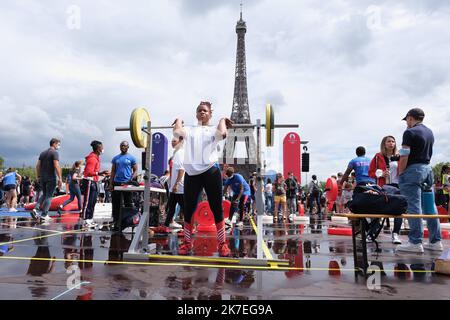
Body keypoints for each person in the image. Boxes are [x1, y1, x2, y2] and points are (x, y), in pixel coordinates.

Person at [173, 100, 232, 256]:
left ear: (210, 114)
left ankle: (222, 244)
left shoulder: (213, 129)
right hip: (192, 173)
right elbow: (177, 132)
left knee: (216, 208)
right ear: (196, 114)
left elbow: (223, 133)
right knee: (189, 209)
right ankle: (187, 243)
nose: (202, 112)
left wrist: (222, 120)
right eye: (199, 110)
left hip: (210, 170)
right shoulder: (189, 129)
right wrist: (179, 119)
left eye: (205, 110)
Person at [396, 108, 443, 253]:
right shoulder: (429, 132)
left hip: (413, 171)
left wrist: (401, 172)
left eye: (407, 120)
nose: (406, 124)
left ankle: (415, 242)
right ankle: (435, 241)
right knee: (430, 206)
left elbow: (404, 155)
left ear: (410, 118)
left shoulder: (409, 132)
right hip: (427, 170)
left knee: (413, 205)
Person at [368, 135, 403, 244]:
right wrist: (381, 174)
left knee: (399, 210)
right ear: (384, 143)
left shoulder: (400, 156)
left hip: (397, 186)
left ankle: (396, 234)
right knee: (378, 210)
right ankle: (372, 233)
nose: (391, 143)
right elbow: (371, 172)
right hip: (383, 187)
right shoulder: (378, 156)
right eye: (389, 141)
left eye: (393, 141)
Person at [32, 138, 63, 222]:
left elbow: (38, 165)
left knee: (44, 194)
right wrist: (60, 178)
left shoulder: (43, 153)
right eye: (58, 144)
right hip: (51, 177)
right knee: (49, 196)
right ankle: (44, 214)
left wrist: (38, 176)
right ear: (54, 143)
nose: (59, 146)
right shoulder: (55, 153)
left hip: (42, 177)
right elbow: (56, 165)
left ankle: (36, 209)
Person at [82, 140, 109, 228]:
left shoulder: (96, 158)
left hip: (94, 182)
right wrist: (99, 173)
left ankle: (89, 219)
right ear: (98, 149)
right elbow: (89, 172)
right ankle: (85, 220)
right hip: (89, 181)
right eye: (101, 147)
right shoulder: (92, 159)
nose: (103, 149)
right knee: (88, 202)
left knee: (93, 202)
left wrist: (101, 174)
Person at [110, 141, 138, 228]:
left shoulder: (131, 158)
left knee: (128, 203)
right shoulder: (116, 158)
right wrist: (111, 183)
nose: (123, 147)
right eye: (121, 145)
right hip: (117, 182)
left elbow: (136, 170)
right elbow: (113, 171)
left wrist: (132, 178)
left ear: (128, 147)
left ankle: (128, 221)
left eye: (124, 146)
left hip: (127, 183)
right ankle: (116, 222)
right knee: (116, 204)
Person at [161, 136, 185, 231]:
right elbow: (174, 171)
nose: (172, 143)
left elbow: (181, 170)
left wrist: (176, 184)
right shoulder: (175, 154)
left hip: (179, 188)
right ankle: (166, 226)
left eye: (174, 141)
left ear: (180, 142)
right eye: (172, 141)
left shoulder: (180, 153)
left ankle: (191, 227)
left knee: (185, 208)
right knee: (171, 208)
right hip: (174, 187)